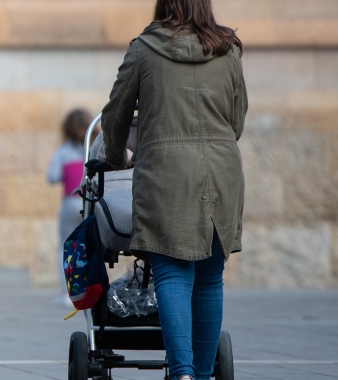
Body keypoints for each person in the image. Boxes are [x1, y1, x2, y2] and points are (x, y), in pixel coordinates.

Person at [100, 0, 248, 379]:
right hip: (221, 170)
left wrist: (116, 156)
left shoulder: (143, 49)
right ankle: (199, 376)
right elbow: (237, 117)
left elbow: (115, 115)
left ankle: (181, 373)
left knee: (171, 272)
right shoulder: (228, 49)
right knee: (210, 275)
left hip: (165, 173)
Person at [46, 109, 95, 305]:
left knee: (65, 246)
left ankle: (66, 293)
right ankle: (90, 289)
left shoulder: (63, 151)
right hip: (91, 201)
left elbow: (52, 176)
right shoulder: (95, 147)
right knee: (91, 245)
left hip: (70, 201)